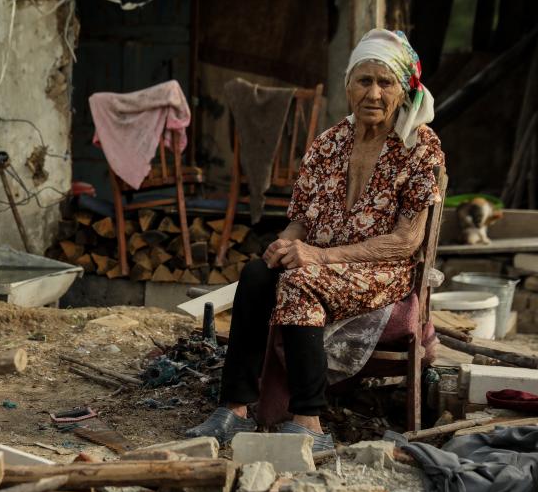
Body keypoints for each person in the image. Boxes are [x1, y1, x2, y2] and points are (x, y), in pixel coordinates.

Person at [186, 29, 444, 451]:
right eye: (364, 80)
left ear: (403, 90)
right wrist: (286, 245)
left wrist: (318, 258)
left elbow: (406, 241)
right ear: (348, 85)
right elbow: (300, 220)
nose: (373, 93)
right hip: (320, 258)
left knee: (299, 282)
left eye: (385, 82)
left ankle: (309, 422)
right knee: (256, 274)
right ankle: (233, 409)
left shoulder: (421, 146)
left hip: (382, 270)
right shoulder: (329, 143)